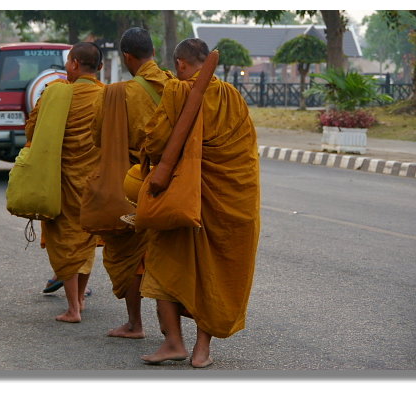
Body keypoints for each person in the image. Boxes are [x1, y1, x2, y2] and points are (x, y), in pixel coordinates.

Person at [138, 38, 260, 368]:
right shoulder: (233, 97)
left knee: (163, 266)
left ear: (180, 64)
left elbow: (157, 140)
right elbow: (247, 153)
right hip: (229, 199)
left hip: (182, 198)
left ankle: (174, 342)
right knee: (214, 273)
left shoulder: (178, 92)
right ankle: (201, 350)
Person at [90, 27, 174, 339]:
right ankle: (170, 328)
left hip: (133, 180)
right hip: (172, 181)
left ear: (127, 56)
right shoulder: (174, 85)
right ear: (152, 51)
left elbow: (97, 136)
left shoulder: (117, 93)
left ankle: (134, 324)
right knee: (166, 252)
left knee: (129, 255)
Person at [24, 42, 104, 323]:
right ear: (101, 68)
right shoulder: (106, 96)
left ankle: (73, 308)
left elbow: (32, 129)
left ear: (73, 64)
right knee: (85, 239)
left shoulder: (57, 94)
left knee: (65, 240)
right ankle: (79, 298)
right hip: (95, 180)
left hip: (64, 179)